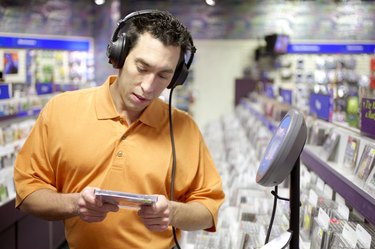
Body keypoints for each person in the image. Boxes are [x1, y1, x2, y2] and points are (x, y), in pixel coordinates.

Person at [14, 9, 225, 249]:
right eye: (142, 68)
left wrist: (173, 213)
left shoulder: (184, 128)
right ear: (119, 56)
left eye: (163, 75)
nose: (148, 86)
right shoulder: (60, 110)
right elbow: (29, 193)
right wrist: (75, 204)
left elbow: (208, 209)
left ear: (176, 77)